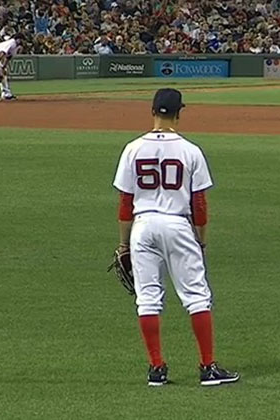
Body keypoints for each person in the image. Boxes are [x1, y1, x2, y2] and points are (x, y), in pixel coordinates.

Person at [112, 89, 240, 387]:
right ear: (178, 113)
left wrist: (123, 244)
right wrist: (201, 240)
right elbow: (199, 205)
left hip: (142, 226)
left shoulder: (132, 149)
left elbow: (124, 203)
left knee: (147, 300)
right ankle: (208, 367)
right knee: (196, 296)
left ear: (153, 111)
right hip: (178, 224)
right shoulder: (190, 150)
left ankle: (156, 369)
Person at [0, 34, 25, 101]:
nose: (23, 41)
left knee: (3, 74)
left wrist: (3, 67)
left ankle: (6, 94)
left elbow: (8, 57)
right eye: (22, 39)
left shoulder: (16, 46)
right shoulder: (12, 42)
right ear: (18, 39)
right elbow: (2, 52)